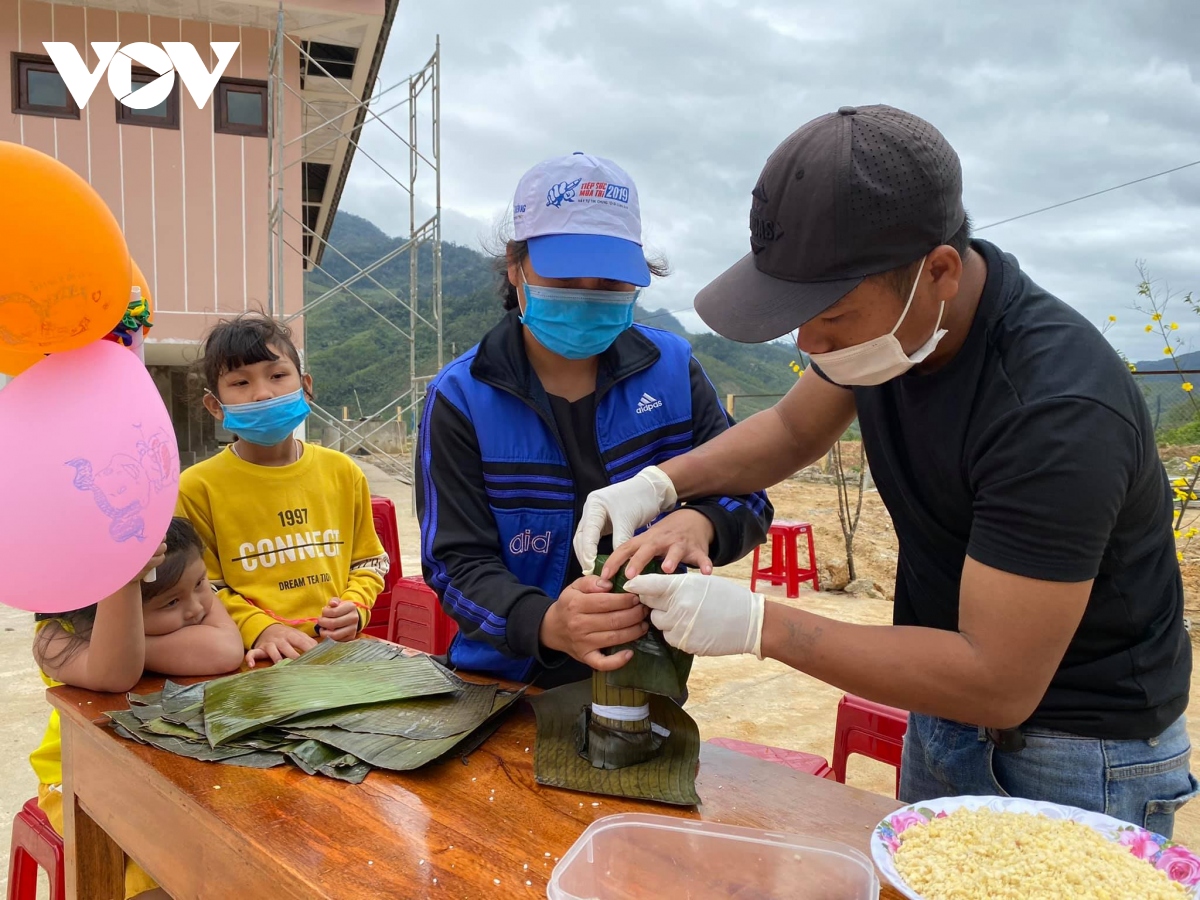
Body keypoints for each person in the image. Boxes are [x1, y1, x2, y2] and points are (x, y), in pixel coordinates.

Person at [574, 105, 1196, 835]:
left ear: (939, 271)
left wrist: (756, 622)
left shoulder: (1056, 408)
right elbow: (789, 427)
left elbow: (998, 680)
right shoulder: (900, 327)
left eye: (831, 314)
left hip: (1074, 751)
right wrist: (662, 484)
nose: (809, 339)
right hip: (940, 703)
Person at [415, 152, 772, 685]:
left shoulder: (673, 371)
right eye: (564, 278)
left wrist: (703, 522)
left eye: (608, 285)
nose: (586, 298)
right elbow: (455, 562)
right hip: (506, 686)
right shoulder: (463, 397)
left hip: (645, 676)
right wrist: (544, 622)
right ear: (517, 266)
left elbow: (747, 494)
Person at [30, 517, 244, 900]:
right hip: (82, 781)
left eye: (200, 584)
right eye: (171, 603)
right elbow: (114, 675)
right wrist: (125, 583)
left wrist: (134, 650)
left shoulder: (191, 598)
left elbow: (225, 651)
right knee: (157, 868)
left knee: (231, 856)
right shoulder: (56, 637)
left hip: (178, 773)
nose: (196, 608)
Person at [176, 314, 390, 666]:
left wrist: (356, 607)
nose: (263, 392)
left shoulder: (343, 472)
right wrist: (260, 629)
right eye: (240, 382)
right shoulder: (196, 488)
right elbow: (202, 588)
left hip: (339, 656)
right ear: (215, 405)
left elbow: (368, 562)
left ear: (305, 386)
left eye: (277, 375)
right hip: (253, 662)